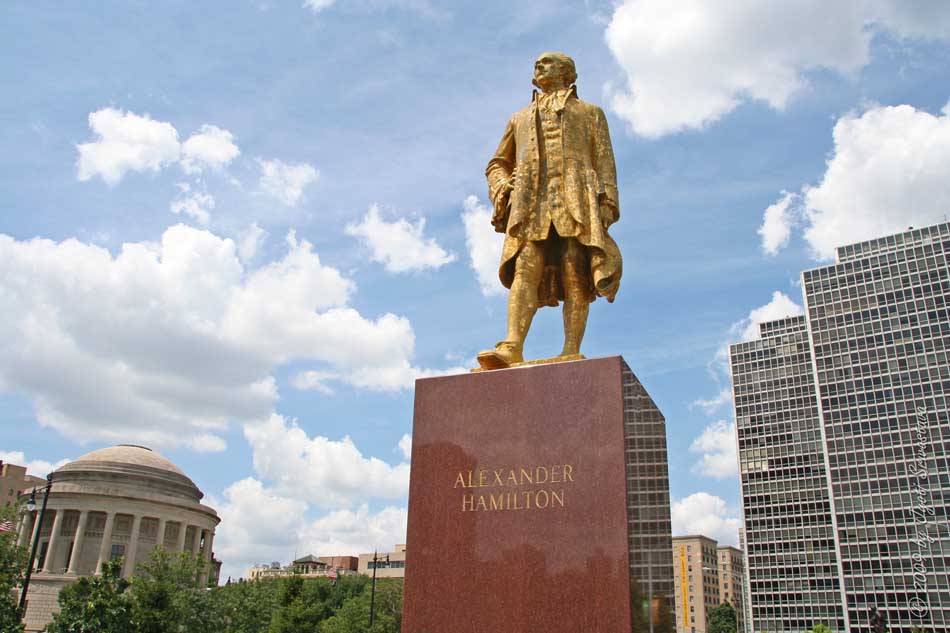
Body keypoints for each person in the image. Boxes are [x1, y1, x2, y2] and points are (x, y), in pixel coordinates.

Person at [478, 52, 622, 369]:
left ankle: (571, 348)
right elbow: (497, 164)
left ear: (567, 73)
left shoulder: (590, 113)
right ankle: (512, 345)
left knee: (575, 267)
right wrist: (504, 185)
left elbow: (605, 161)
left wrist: (608, 202)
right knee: (526, 265)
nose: (539, 67)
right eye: (537, 64)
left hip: (576, 200)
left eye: (548, 63)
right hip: (532, 202)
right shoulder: (519, 118)